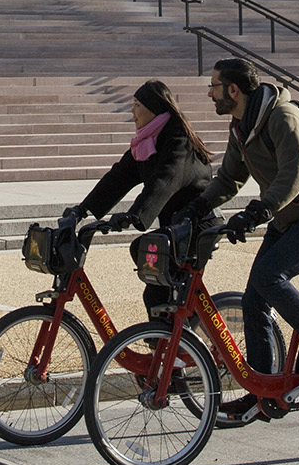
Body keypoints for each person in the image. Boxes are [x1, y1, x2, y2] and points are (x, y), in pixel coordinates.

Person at [189, 56, 299, 424]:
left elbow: (295, 174)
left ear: (233, 89)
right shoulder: (241, 126)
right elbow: (229, 180)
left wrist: (260, 210)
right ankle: (260, 390)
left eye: (213, 86)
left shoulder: (283, 117)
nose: (210, 94)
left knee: (268, 278)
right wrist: (196, 207)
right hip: (287, 220)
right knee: (253, 300)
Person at [60, 79, 215, 307]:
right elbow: (118, 177)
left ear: (153, 109)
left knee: (153, 273)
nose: (132, 112)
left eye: (137, 105)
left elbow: (165, 180)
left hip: (197, 224)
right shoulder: (147, 141)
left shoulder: (178, 140)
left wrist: (136, 215)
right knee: (157, 293)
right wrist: (82, 210)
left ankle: (186, 329)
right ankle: (168, 335)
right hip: (176, 226)